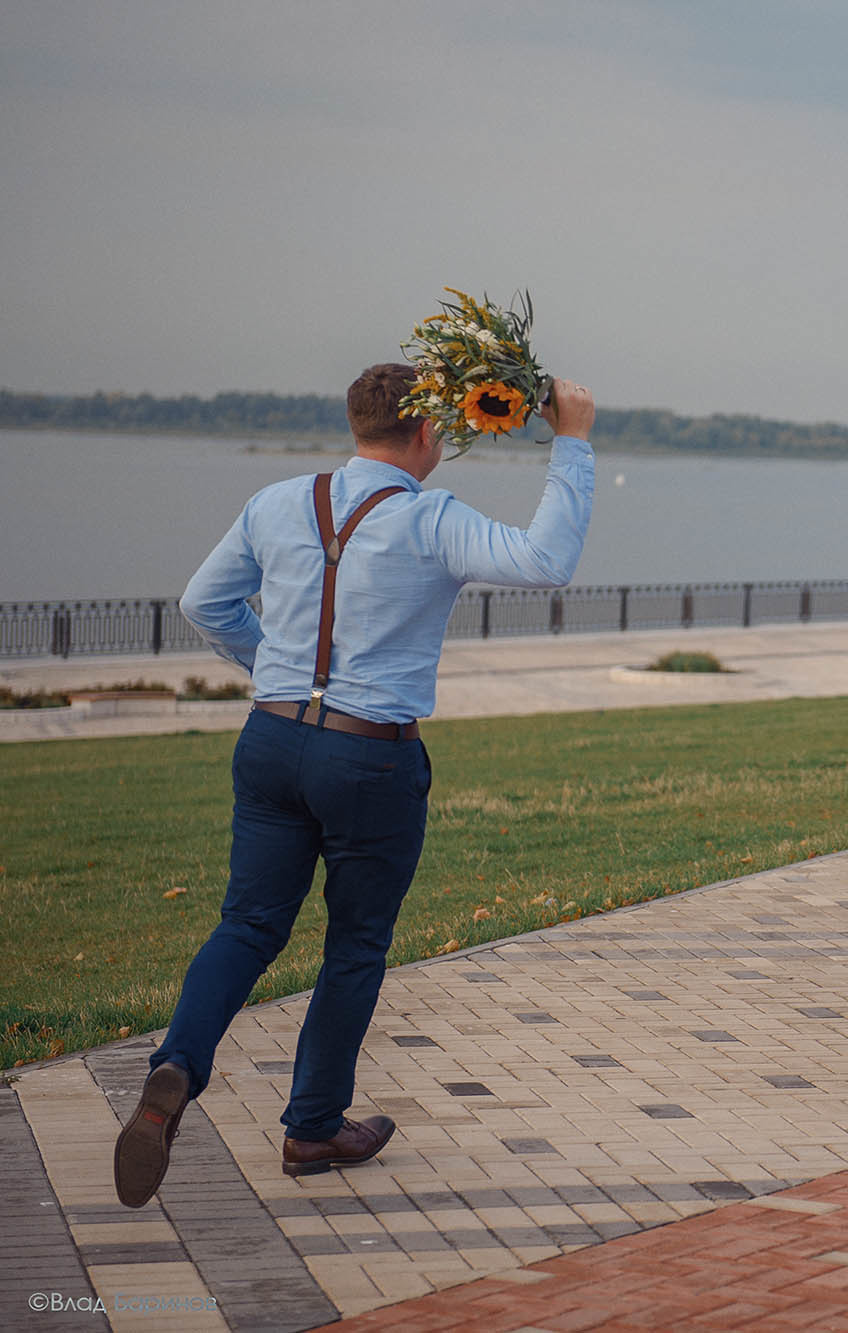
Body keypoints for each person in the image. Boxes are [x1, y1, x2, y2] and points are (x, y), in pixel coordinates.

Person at [114, 363, 595, 1207]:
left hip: (271, 739)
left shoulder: (276, 501)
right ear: (421, 433)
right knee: (354, 945)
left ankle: (175, 1067)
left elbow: (203, 601)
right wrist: (574, 445)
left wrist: (274, 667)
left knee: (248, 923)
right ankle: (311, 1125)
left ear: (354, 424)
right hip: (370, 758)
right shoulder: (430, 519)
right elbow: (546, 560)